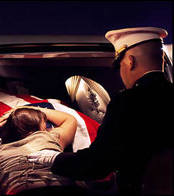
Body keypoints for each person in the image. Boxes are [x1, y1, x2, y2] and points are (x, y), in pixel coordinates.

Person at [28, 27, 174, 194]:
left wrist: (54, 159)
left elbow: (98, 165)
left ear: (130, 61)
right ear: (162, 59)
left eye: (119, 65)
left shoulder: (128, 102)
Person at [0, 106, 90, 195]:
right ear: (41, 126)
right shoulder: (47, 137)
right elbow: (69, 120)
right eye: (44, 123)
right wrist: (30, 109)